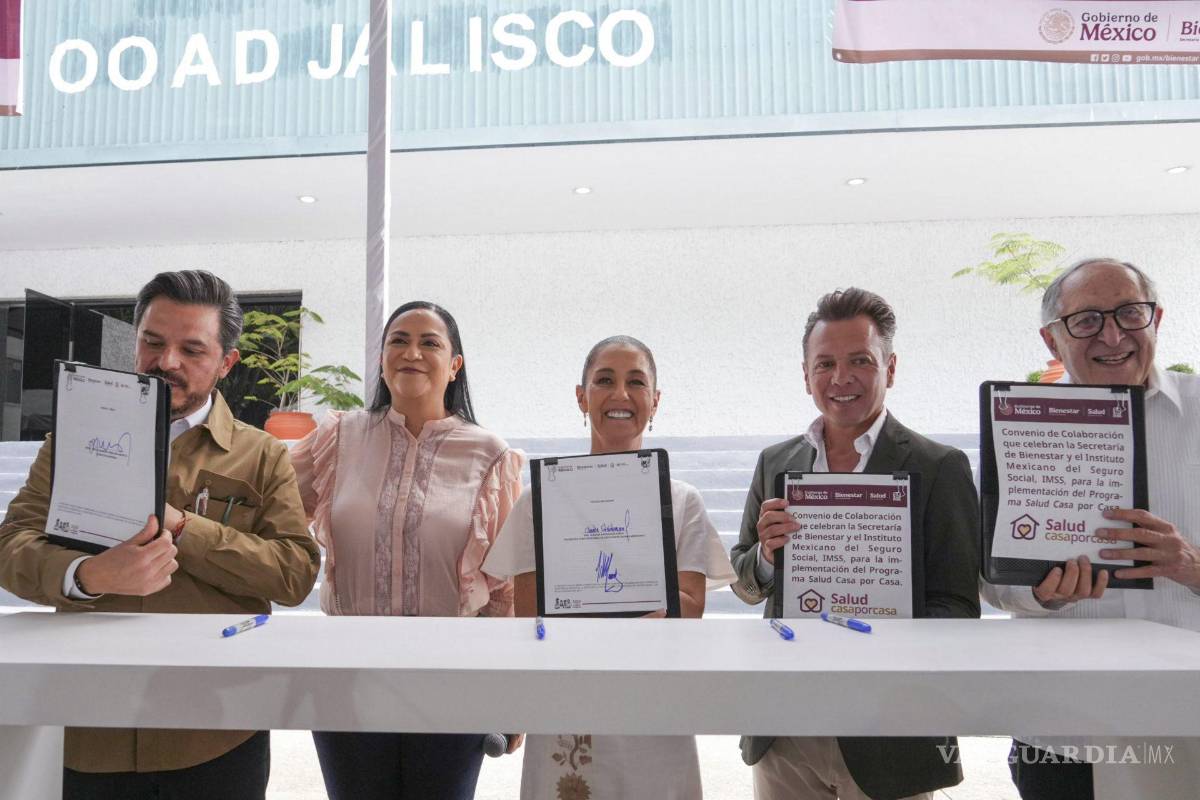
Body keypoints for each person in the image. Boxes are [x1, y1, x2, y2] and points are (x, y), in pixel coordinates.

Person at [0, 270, 320, 800]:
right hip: (88, 727)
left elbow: (294, 574)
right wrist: (86, 575)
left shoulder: (261, 456)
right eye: (152, 342)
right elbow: (11, 545)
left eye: (192, 349)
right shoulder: (73, 442)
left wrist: (184, 527)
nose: (166, 361)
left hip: (215, 729)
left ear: (226, 363)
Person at [729, 288, 980, 800]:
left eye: (860, 361)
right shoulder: (775, 463)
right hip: (787, 729)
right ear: (805, 375)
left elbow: (957, 607)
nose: (841, 378)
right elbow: (745, 583)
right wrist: (768, 558)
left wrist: (872, 632)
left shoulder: (939, 468)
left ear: (891, 366)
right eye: (825, 364)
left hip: (892, 727)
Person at [981, 258, 1200, 800]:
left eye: (1130, 313)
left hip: (1191, 719)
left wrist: (1192, 565)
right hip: (1064, 731)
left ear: (1157, 320)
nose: (1113, 335)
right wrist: (1037, 591)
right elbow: (989, 579)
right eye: (1086, 321)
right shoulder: (1015, 430)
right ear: (1052, 342)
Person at [482, 335, 735, 800]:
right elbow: (531, 615)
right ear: (582, 397)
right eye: (604, 381)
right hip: (567, 708)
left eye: (636, 382)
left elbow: (690, 609)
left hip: (654, 712)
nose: (620, 395)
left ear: (655, 401)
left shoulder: (683, 503)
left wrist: (604, 609)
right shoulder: (540, 500)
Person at [289, 300, 524, 800]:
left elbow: (504, 592)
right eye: (398, 340)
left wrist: (510, 691)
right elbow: (274, 505)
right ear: (381, 358)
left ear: (455, 364)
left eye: (429, 342)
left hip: (452, 679)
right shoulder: (338, 437)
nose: (411, 352)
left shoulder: (490, 455)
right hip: (348, 677)